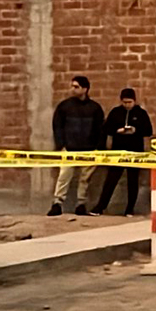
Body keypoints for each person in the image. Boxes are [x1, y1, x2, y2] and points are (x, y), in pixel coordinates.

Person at [92, 88, 154, 216]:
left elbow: (148, 130)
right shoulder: (116, 112)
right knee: (111, 180)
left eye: (129, 102)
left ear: (134, 101)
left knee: (133, 181)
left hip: (135, 151)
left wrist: (135, 130)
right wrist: (117, 131)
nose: (127, 105)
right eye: (124, 102)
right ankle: (100, 206)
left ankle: (130, 208)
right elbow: (106, 129)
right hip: (118, 151)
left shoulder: (141, 113)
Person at [49, 76, 105, 216]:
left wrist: (99, 148)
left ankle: (81, 204)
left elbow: (100, 129)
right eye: (72, 86)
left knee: (85, 179)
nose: (73, 89)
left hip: (89, 149)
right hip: (69, 148)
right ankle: (57, 203)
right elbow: (57, 127)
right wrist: (61, 145)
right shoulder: (64, 106)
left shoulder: (95, 108)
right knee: (64, 176)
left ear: (85, 89)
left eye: (76, 87)